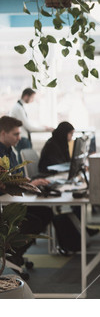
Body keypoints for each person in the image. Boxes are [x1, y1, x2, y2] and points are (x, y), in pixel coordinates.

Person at [0, 116, 53, 267]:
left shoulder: (10, 151)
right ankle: (10, 258)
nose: (19, 137)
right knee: (34, 221)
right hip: (4, 206)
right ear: (3, 133)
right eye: (15, 134)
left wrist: (29, 182)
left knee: (46, 212)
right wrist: (29, 184)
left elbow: (16, 177)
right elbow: (7, 183)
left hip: (13, 200)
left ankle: (14, 256)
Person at [10, 88, 52, 161]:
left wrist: (42, 127)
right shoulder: (18, 108)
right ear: (26, 96)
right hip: (22, 139)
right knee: (25, 164)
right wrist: (45, 129)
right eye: (32, 97)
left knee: (24, 163)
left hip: (23, 139)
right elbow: (28, 127)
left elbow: (27, 124)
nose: (32, 100)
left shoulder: (20, 107)